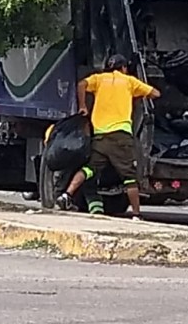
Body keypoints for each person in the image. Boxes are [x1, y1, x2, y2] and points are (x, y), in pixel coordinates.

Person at [56, 54, 160, 220]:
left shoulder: (99, 79)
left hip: (100, 136)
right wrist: (136, 94)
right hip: (121, 137)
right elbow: (156, 93)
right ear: (124, 68)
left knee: (89, 169)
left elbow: (81, 84)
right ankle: (136, 214)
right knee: (129, 177)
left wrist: (83, 106)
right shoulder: (129, 81)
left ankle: (67, 195)